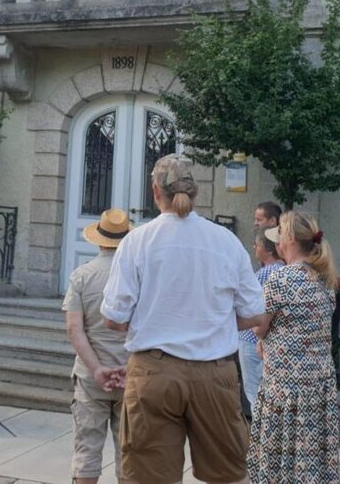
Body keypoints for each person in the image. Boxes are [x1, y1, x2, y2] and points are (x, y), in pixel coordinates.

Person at [102, 154, 264, 484]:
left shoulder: (137, 241)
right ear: (196, 192)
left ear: (155, 191)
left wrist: (156, 321)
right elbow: (254, 315)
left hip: (154, 370)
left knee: (149, 478)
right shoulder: (226, 241)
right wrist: (209, 321)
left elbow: (114, 319)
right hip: (215, 373)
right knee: (229, 476)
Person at [248, 211, 339, 484]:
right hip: (318, 383)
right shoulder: (325, 280)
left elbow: (258, 326)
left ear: (287, 240)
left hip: (286, 386)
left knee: (279, 458)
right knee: (311, 455)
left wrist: (263, 340)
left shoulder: (280, 279)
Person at [62, 209, 133, 484]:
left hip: (92, 377)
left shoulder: (82, 275)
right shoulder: (136, 277)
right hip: (130, 374)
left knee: (86, 454)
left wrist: (96, 369)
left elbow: (73, 328)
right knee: (129, 455)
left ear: (99, 240)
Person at [238, 228, 283, 412]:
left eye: (257, 245)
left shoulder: (265, 274)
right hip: (270, 341)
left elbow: (247, 303)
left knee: (254, 391)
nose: (254, 248)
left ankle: (260, 436)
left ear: (269, 249)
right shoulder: (283, 270)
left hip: (252, 340)